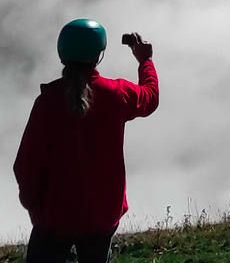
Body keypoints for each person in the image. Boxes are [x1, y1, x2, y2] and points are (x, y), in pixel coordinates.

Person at [13, 20, 159, 263]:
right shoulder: (116, 95)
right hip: (101, 216)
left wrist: (35, 209)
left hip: (52, 218)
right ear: (98, 55)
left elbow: (25, 164)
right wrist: (145, 60)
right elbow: (150, 97)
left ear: (62, 54)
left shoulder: (47, 103)